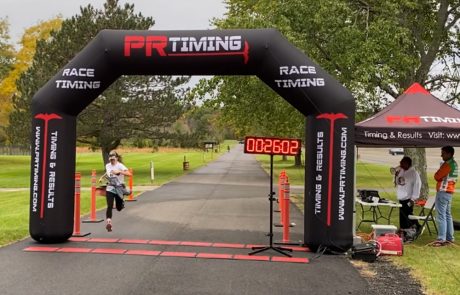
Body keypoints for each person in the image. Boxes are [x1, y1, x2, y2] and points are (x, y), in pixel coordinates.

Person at [432, 146, 457, 246]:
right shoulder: (455, 164)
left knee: (441, 216)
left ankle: (441, 238)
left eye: (443, 153)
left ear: (449, 154)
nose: (441, 155)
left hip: (443, 191)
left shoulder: (447, 165)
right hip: (449, 191)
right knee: (447, 215)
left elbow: (437, 176)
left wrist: (438, 174)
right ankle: (450, 238)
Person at [104, 150, 131, 232]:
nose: (112, 161)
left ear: (116, 158)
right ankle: (109, 223)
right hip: (110, 187)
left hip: (119, 188)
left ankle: (121, 202)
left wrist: (120, 171)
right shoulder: (108, 165)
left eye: (113, 159)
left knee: (119, 208)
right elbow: (109, 173)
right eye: (110, 159)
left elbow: (129, 174)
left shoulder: (120, 165)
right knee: (109, 205)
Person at [394, 156, 421, 233]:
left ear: (407, 163)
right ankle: (403, 228)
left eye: (402, 163)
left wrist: (414, 198)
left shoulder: (414, 173)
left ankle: (417, 226)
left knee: (408, 214)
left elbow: (417, 185)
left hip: (409, 198)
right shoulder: (401, 171)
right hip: (401, 197)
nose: (400, 164)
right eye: (400, 162)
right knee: (402, 214)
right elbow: (398, 182)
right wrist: (396, 175)